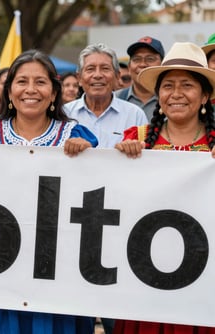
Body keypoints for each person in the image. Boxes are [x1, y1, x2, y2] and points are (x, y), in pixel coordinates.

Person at [0, 49, 98, 334]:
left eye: (40, 82)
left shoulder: (75, 135)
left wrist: (88, 157)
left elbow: (95, 192)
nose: (30, 90)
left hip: (57, 267)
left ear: (53, 93)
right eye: (22, 81)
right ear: (9, 91)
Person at [114, 42, 215, 333]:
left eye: (187, 85)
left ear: (204, 95)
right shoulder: (137, 138)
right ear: (159, 95)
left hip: (203, 279)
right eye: (168, 85)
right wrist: (119, 160)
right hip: (145, 278)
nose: (177, 94)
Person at [63, 43, 147, 149]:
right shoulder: (64, 114)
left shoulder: (135, 115)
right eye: (90, 69)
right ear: (79, 78)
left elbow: (146, 158)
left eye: (105, 68)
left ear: (117, 76)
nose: (97, 75)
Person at [116, 36, 165, 121]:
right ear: (129, 67)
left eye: (150, 59)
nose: (142, 64)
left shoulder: (172, 101)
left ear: (163, 66)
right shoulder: (115, 99)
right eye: (137, 59)